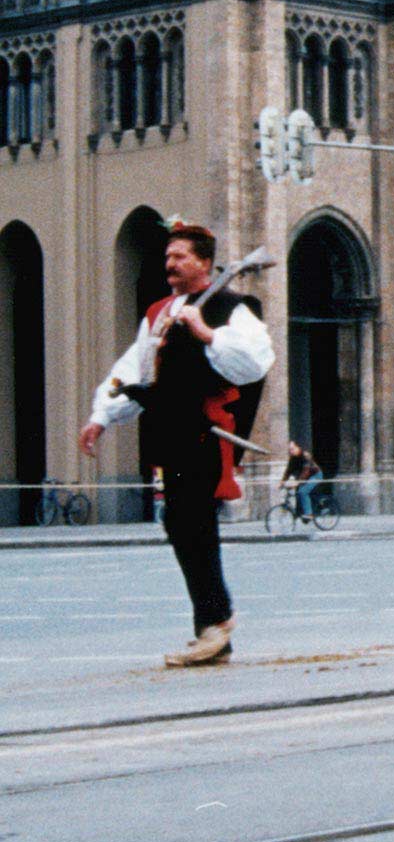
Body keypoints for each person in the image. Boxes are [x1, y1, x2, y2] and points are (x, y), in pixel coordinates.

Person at [80, 219, 275, 667]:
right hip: (170, 428)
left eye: (180, 256)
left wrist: (206, 332)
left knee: (194, 521)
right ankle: (211, 627)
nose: (170, 263)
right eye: (168, 257)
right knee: (180, 522)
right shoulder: (158, 312)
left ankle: (216, 622)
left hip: (204, 429)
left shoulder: (228, 306)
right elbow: (135, 367)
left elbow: (255, 359)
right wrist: (101, 416)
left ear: (204, 263)